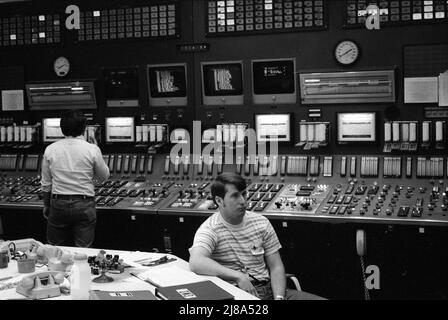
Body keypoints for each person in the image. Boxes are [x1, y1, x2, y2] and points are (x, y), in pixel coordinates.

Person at [189, 172, 325, 300]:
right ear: (219, 201)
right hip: (240, 294)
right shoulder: (210, 228)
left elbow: (276, 266)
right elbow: (196, 261)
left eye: (244, 194)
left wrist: (279, 298)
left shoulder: (261, 222)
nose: (242, 201)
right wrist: (238, 277)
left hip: (272, 290)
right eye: (235, 196)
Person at [40, 110, 109, 247]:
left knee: (55, 250)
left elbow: (46, 184)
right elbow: (103, 177)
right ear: (84, 128)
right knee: (82, 252)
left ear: (62, 128)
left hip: (58, 204)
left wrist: (47, 205)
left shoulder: (50, 149)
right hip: (84, 204)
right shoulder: (92, 149)